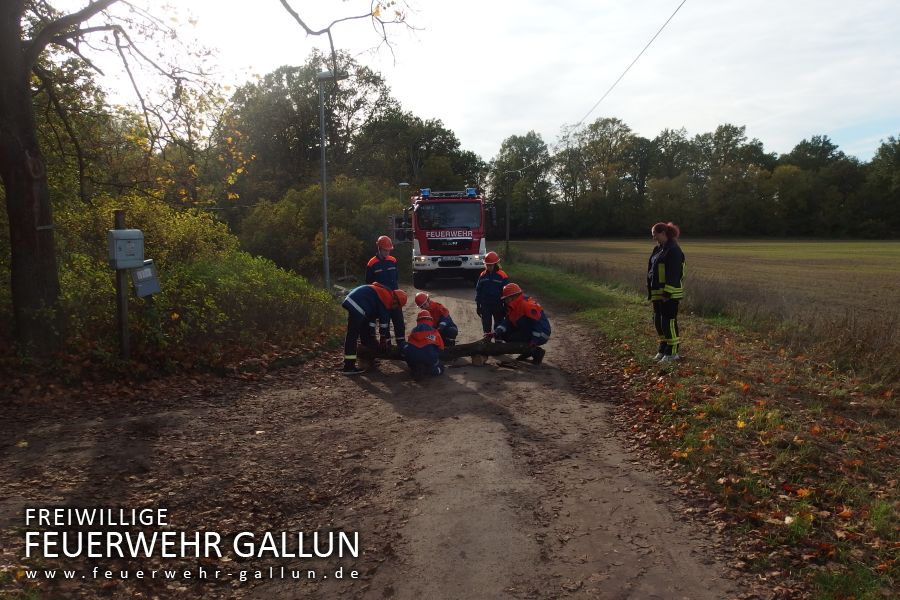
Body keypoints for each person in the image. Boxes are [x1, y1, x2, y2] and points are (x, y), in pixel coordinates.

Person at [340, 283, 408, 375]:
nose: (395, 309)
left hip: (357, 302)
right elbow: (384, 323)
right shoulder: (387, 299)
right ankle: (349, 367)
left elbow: (371, 319)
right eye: (397, 307)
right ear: (396, 301)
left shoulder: (385, 295)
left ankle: (369, 356)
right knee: (353, 335)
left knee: (366, 333)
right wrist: (383, 339)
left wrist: (372, 333)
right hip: (357, 304)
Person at [647, 221, 685, 363]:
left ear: (663, 233)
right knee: (658, 321)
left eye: (654, 235)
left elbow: (674, 273)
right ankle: (663, 349)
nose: (653, 238)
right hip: (657, 292)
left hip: (669, 294)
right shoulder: (658, 249)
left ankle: (672, 353)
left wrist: (667, 293)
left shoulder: (674, 250)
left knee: (668, 322)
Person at [492, 283, 551, 365]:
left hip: (541, 334)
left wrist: (534, 340)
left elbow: (537, 324)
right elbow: (507, 322)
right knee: (506, 335)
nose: (505, 301)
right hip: (528, 330)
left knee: (513, 338)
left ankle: (536, 352)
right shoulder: (514, 305)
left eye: (506, 298)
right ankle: (528, 351)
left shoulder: (527, 305)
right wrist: (496, 332)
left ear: (512, 297)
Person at [365, 235, 404, 347]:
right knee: (384, 324)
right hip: (382, 300)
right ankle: (387, 345)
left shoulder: (393, 260)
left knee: (399, 322)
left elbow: (396, 278)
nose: (387, 252)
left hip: (395, 298)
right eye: (385, 250)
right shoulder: (372, 263)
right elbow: (369, 283)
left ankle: (401, 344)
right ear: (379, 248)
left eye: (389, 250)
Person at [402, 310, 445, 378]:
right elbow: (441, 348)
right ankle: (434, 370)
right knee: (440, 367)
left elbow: (410, 343)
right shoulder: (434, 331)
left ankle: (414, 368)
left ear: (418, 320)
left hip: (413, 357)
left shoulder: (414, 330)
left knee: (403, 344)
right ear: (430, 319)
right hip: (429, 356)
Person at [475, 251, 508, 338]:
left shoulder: (502, 276)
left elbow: (507, 292)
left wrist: (506, 306)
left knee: (499, 323)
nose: (489, 267)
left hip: (498, 304)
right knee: (486, 323)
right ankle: (487, 340)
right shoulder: (482, 275)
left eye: (491, 265)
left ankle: (498, 339)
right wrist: (478, 305)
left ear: (496, 264)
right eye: (487, 265)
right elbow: (478, 291)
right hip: (485, 305)